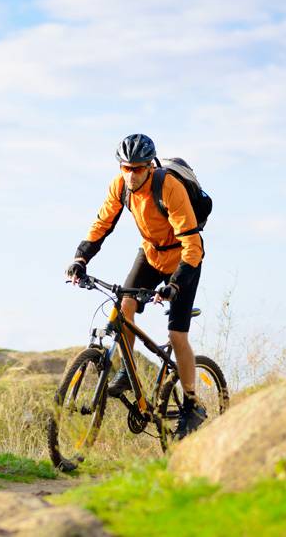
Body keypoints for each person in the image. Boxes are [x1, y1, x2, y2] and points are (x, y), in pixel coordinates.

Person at [66, 133, 206, 439]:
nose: (131, 174)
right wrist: (80, 258)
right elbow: (102, 224)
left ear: (149, 166)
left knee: (176, 334)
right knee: (124, 306)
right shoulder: (120, 186)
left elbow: (192, 244)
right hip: (151, 253)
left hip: (184, 258)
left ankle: (192, 403)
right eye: (126, 168)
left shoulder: (169, 187)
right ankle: (127, 374)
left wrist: (175, 286)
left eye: (138, 168)